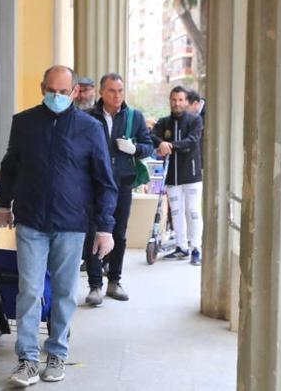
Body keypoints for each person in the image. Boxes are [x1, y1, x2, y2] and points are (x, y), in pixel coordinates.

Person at [0, 66, 118, 387]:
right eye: (52, 90)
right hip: (32, 220)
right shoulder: (24, 123)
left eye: (64, 92)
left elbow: (105, 180)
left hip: (72, 223)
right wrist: (4, 205)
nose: (58, 97)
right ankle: (27, 360)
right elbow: (10, 167)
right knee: (30, 291)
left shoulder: (90, 128)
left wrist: (105, 228)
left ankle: (57, 353)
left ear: (75, 91)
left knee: (63, 293)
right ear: (41, 88)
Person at [83, 74, 154, 305]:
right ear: (102, 92)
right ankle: (95, 285)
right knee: (93, 232)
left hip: (122, 182)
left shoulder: (134, 116)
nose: (117, 95)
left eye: (120, 90)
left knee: (119, 233)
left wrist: (134, 149)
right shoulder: (88, 117)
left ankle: (114, 280)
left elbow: (148, 147)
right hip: (95, 184)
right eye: (112, 90)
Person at [151, 86, 205, 266]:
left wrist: (170, 146)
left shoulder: (195, 120)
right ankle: (181, 247)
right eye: (174, 100)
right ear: (170, 101)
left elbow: (192, 140)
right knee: (176, 212)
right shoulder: (164, 122)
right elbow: (152, 136)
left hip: (192, 174)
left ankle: (196, 247)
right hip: (172, 176)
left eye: (180, 100)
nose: (177, 103)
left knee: (193, 211)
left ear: (187, 102)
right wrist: (161, 143)